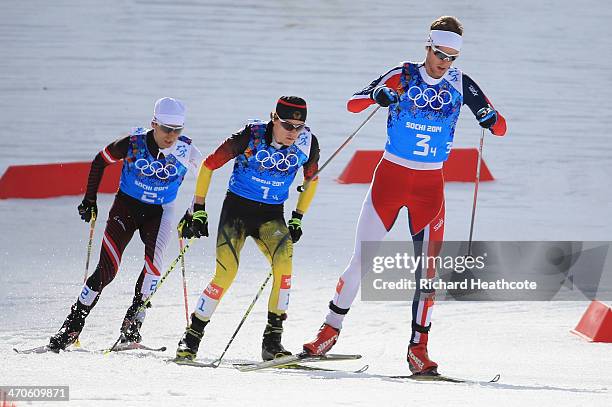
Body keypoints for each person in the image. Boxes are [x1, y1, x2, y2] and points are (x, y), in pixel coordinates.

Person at [303, 16, 507, 375]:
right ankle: (328, 332)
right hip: (390, 180)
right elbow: (352, 103)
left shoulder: (462, 84)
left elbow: (501, 127)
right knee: (359, 263)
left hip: (430, 188)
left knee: (427, 274)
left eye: (452, 57)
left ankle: (418, 349)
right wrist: (375, 97)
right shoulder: (403, 73)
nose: (445, 62)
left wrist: (489, 117)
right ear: (427, 46)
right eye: (440, 53)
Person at [48, 97, 202, 351]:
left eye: (177, 130)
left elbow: (206, 174)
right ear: (154, 124)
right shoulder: (133, 143)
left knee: (153, 269)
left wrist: (193, 212)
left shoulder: (187, 151)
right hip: (126, 207)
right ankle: (71, 326)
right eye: (166, 129)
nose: (171, 136)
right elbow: (100, 160)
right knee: (107, 270)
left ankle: (132, 328)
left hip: (160, 212)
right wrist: (90, 199)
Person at [175, 96, 320, 361]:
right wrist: (198, 207)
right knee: (226, 273)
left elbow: (312, 179)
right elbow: (208, 165)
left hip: (271, 215)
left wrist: (298, 217)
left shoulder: (307, 141)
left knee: (285, 269)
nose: (293, 133)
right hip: (238, 212)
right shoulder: (250, 135)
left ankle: (272, 342)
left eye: (299, 127)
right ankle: (192, 336)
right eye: (288, 126)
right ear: (273, 118)